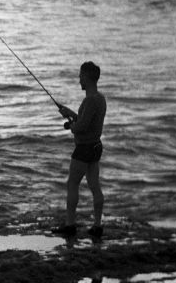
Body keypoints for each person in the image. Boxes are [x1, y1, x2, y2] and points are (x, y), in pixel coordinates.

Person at [53, 61, 106, 239]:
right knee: (94, 185)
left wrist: (71, 126)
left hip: (84, 149)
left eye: (81, 76)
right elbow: (87, 121)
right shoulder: (100, 98)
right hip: (95, 147)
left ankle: (70, 225)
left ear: (87, 78)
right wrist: (71, 113)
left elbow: (81, 126)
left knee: (72, 184)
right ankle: (98, 226)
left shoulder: (89, 100)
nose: (79, 80)